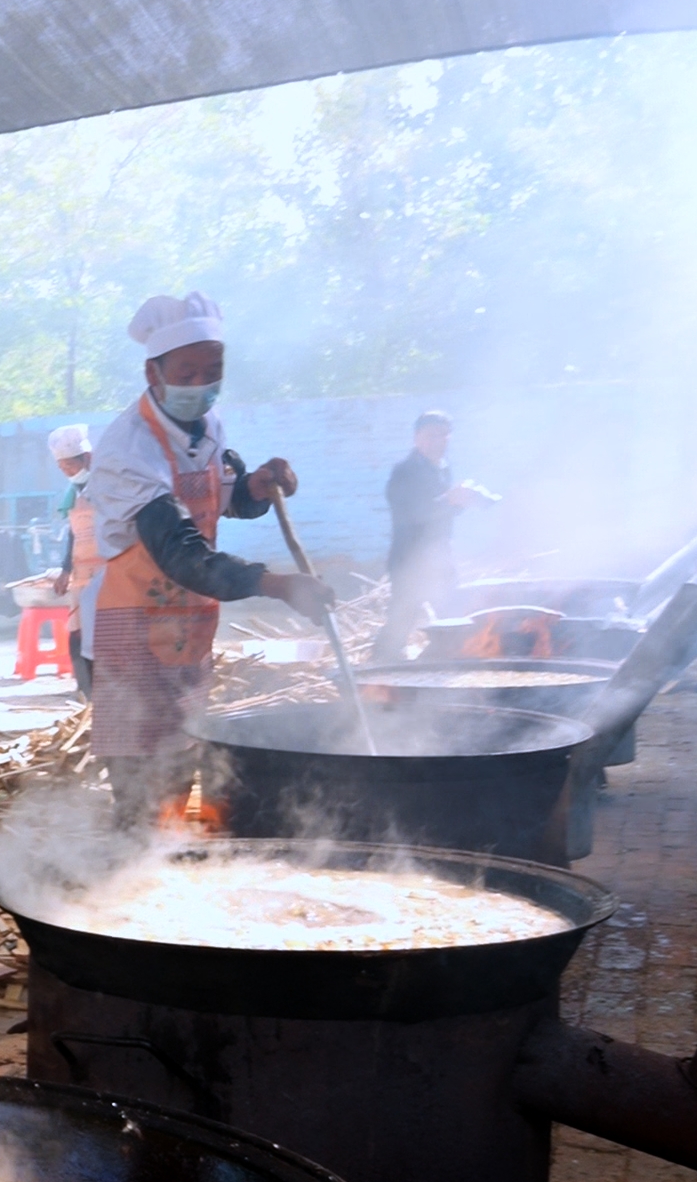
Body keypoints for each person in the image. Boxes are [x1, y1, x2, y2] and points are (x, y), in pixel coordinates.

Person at [80, 292, 328, 814]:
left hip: (189, 627)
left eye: (212, 372)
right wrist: (276, 585)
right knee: (141, 788)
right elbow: (181, 553)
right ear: (153, 373)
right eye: (186, 374)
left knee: (180, 766)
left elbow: (216, 498)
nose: (201, 385)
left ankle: (167, 855)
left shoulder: (209, 427)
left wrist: (256, 487)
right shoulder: (128, 448)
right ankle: (135, 860)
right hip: (131, 629)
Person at [381, 409, 488, 658]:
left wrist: (462, 501)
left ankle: (447, 661)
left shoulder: (441, 468)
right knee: (401, 619)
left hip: (439, 556)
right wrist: (450, 500)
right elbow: (413, 513)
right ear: (417, 438)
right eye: (431, 435)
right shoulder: (404, 471)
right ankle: (379, 668)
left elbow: (443, 513)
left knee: (452, 613)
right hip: (410, 559)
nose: (438, 441)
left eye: (443, 435)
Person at [38, 421, 99, 697]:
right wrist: (65, 570)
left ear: (87, 458)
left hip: (108, 572)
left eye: (70, 466)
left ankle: (103, 689)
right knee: (77, 633)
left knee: (104, 632)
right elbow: (74, 533)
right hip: (82, 574)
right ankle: (84, 689)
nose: (67, 472)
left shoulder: (108, 485)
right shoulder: (74, 491)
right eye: (62, 468)